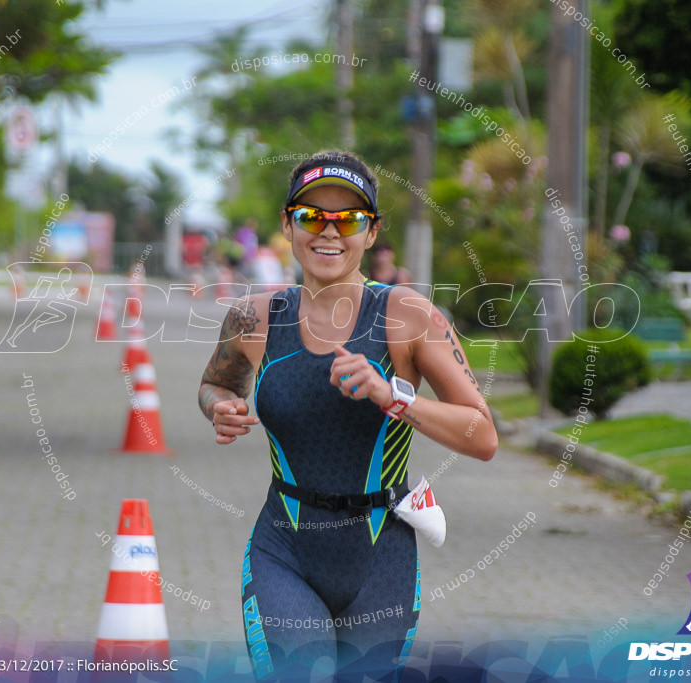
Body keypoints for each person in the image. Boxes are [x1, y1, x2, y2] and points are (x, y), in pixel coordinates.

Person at [197, 151, 498, 680]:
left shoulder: (409, 316)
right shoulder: (253, 317)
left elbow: (483, 436)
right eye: (313, 216)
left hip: (381, 557)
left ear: (372, 230)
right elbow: (216, 383)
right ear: (287, 226)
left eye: (349, 219)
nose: (329, 232)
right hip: (284, 549)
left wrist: (393, 397)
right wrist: (218, 407)